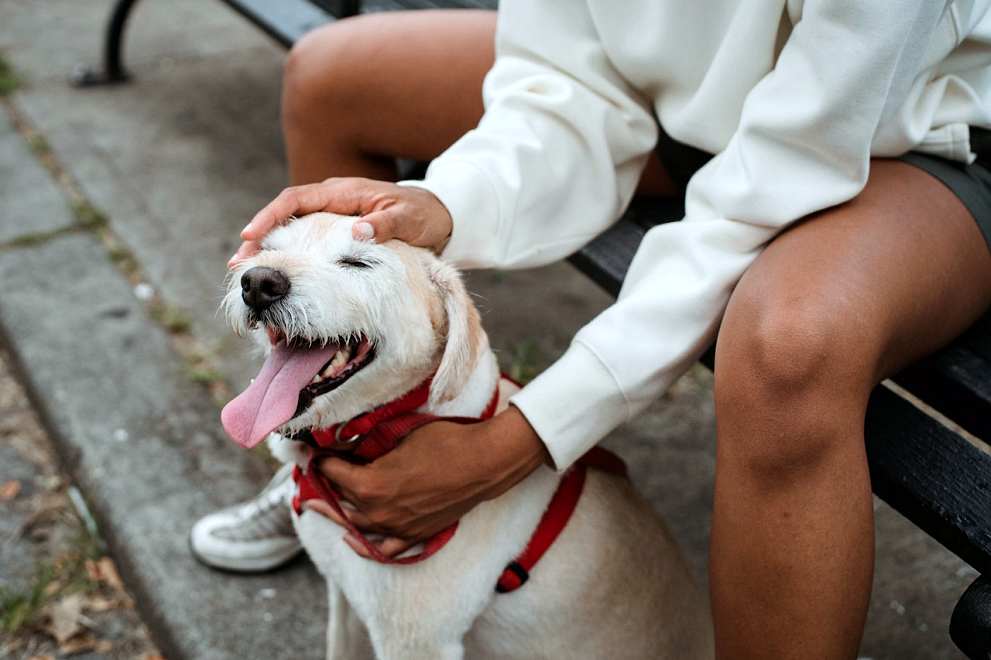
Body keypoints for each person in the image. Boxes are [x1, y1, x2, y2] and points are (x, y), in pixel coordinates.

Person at [190, 2, 991, 656]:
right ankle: (332, 457)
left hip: (906, 132)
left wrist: (525, 436)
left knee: (789, 342)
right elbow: (561, 82)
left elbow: (791, 165)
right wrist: (443, 204)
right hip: (685, 113)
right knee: (329, 76)